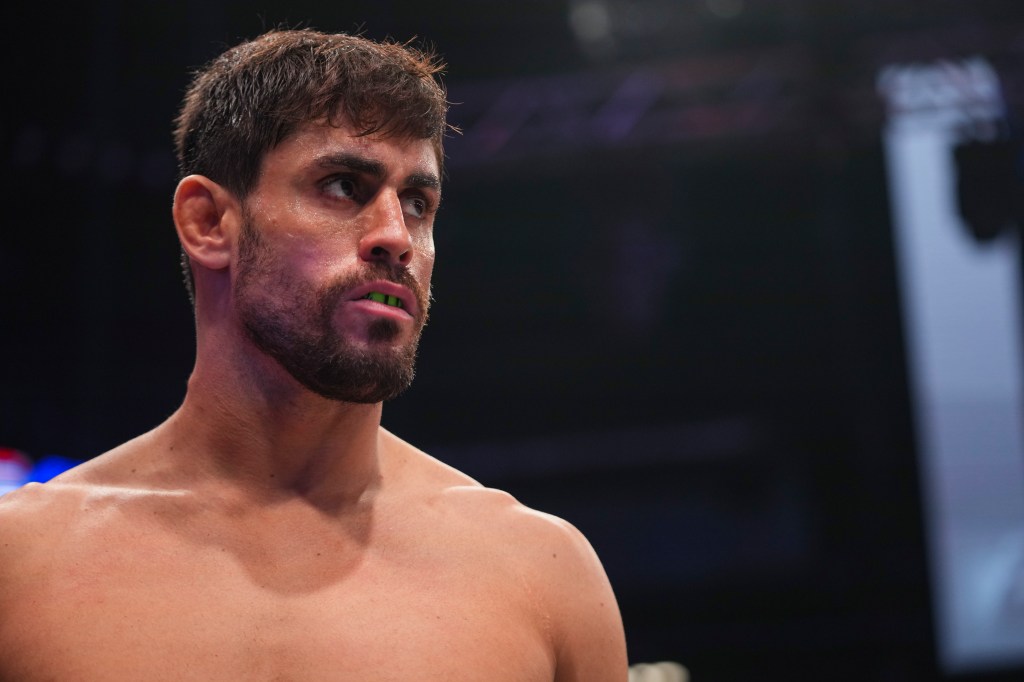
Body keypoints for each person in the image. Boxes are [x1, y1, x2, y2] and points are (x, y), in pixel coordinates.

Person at [0, 28, 628, 680]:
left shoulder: (541, 577)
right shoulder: (20, 564)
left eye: (417, 202)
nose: (395, 236)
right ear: (209, 223)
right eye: (342, 187)